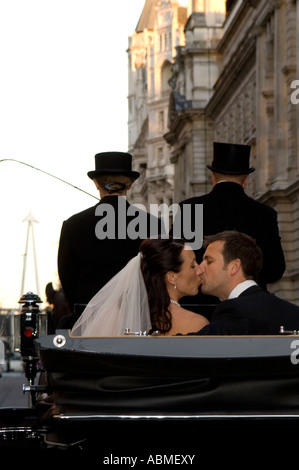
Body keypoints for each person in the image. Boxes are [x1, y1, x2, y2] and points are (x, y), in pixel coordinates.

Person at [172, 141, 286, 319]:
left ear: (212, 176)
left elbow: (174, 260)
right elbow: (276, 269)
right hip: (252, 311)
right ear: (246, 180)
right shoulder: (265, 214)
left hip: (198, 310)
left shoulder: (189, 209)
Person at [58, 151, 162, 328]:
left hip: (88, 319)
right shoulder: (152, 225)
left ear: (96, 183)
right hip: (138, 319)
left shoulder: (74, 225)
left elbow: (67, 277)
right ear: (129, 185)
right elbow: (159, 273)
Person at [71, 237, 209, 337]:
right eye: (193, 265)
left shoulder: (114, 315)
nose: (200, 270)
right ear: (172, 277)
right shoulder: (196, 324)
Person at [189, 230, 299, 335]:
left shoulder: (235, 311)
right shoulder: (293, 312)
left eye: (209, 261)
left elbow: (191, 347)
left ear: (234, 267)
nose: (199, 269)